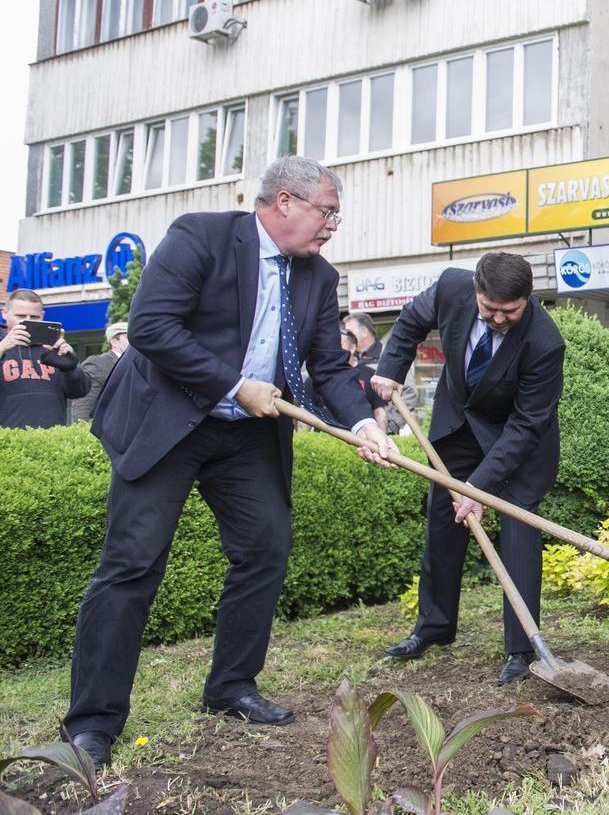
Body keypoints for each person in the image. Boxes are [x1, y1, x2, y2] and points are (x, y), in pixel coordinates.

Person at [63, 157, 395, 768]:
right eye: (328, 212)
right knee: (132, 564)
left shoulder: (318, 276)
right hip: (171, 421)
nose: (333, 226)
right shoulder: (203, 236)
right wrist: (234, 384)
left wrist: (365, 423)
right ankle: (93, 722)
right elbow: (152, 327)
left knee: (265, 548)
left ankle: (231, 686)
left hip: (247, 436)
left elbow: (327, 365)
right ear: (287, 202)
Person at [372, 252, 564, 686]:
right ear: (476, 291)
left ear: (527, 300)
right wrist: (390, 368)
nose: (498, 319)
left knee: (518, 537)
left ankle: (521, 649)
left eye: (510, 311)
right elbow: (408, 322)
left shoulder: (544, 341)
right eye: (490, 309)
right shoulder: (450, 287)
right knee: (442, 523)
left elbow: (527, 424)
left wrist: (477, 488)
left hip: (516, 443)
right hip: (459, 425)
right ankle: (434, 627)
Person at [0, 288, 90, 427]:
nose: (27, 322)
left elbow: (79, 391)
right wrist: (2, 347)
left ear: (42, 315)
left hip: (50, 440)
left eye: (34, 317)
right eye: (20, 316)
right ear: (5, 313)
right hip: (7, 442)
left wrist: (70, 369)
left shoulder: (51, 346)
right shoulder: (2, 344)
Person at [71, 322, 129, 423]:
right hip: (109, 433)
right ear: (114, 341)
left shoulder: (142, 364)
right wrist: (85, 433)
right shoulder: (98, 364)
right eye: (129, 336)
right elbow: (84, 406)